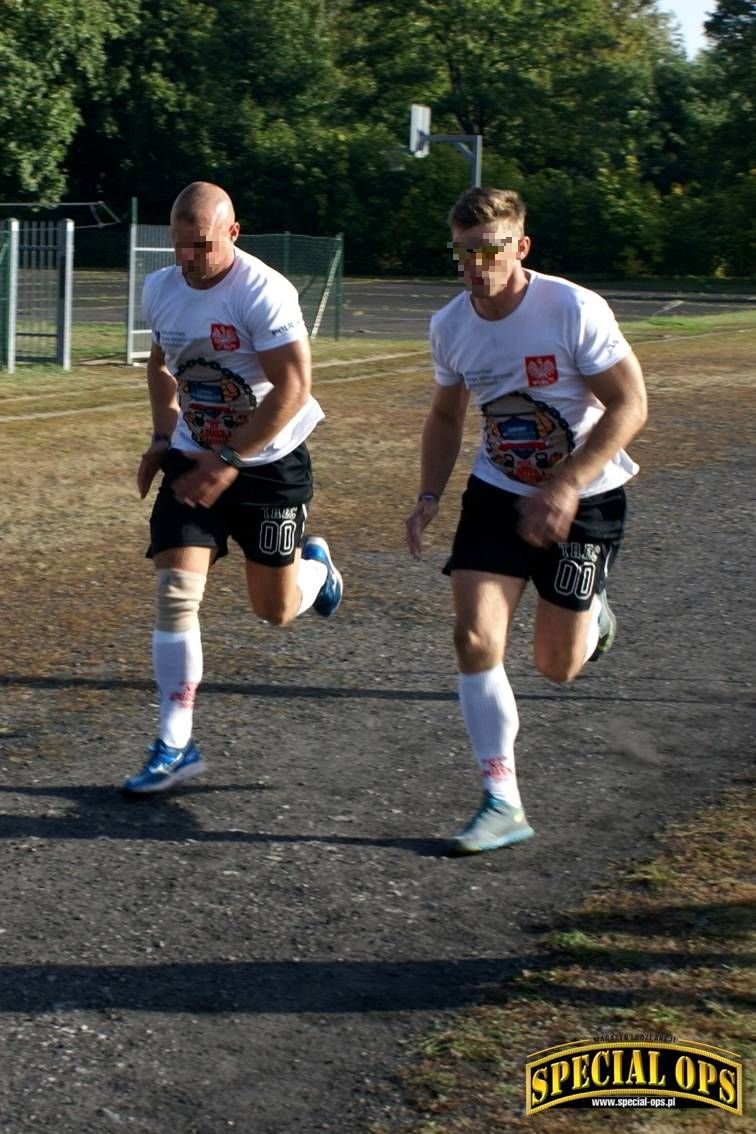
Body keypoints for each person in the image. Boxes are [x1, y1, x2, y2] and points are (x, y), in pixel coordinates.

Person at [405, 187, 647, 855]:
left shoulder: (569, 309)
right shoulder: (451, 324)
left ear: (521, 246)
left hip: (588, 497)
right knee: (474, 637)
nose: (476, 266)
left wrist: (566, 485)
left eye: (490, 250)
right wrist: (429, 496)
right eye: (463, 252)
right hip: (497, 492)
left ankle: (591, 615)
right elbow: (449, 415)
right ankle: (501, 799)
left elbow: (630, 406)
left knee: (556, 666)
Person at [122, 181, 342, 795]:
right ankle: (174, 744)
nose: (189, 260)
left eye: (203, 247)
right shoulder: (161, 288)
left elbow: (293, 387)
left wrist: (230, 457)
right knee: (175, 593)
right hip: (196, 457)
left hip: (269, 463)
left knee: (273, 612)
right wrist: (163, 438)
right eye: (180, 247)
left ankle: (316, 572)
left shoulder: (262, 290)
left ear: (233, 234)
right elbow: (161, 366)